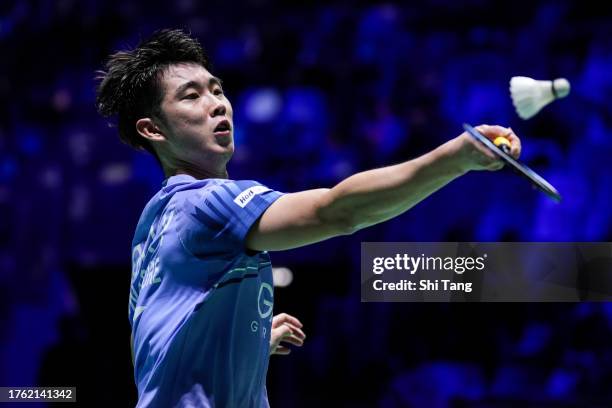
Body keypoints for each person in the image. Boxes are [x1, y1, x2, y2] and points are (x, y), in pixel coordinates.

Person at [96, 29, 521, 407]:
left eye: (216, 89)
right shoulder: (209, 202)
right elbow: (337, 211)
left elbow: (151, 351)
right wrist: (457, 157)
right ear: (153, 130)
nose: (217, 105)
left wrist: (246, 345)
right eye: (191, 96)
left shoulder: (153, 222)